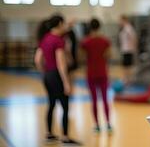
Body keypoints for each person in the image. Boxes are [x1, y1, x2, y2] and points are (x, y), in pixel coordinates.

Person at [34, 15, 81, 145]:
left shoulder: (45, 38)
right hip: (57, 76)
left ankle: (49, 134)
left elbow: (37, 59)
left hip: (48, 75)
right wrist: (66, 83)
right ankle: (65, 137)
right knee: (65, 106)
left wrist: (44, 72)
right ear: (60, 24)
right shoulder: (58, 40)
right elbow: (61, 63)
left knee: (51, 104)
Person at [80, 18, 112, 132]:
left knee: (94, 100)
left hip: (91, 73)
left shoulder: (85, 42)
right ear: (99, 27)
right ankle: (108, 124)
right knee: (105, 99)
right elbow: (109, 55)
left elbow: (82, 58)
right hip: (102, 72)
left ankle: (97, 125)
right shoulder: (105, 41)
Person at [118, 15, 137, 85]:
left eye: (120, 20)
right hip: (125, 49)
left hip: (128, 50)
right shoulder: (124, 28)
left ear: (124, 20)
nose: (119, 22)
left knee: (127, 66)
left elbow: (133, 38)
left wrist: (133, 48)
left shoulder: (128, 28)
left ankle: (128, 80)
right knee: (125, 65)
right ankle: (126, 79)